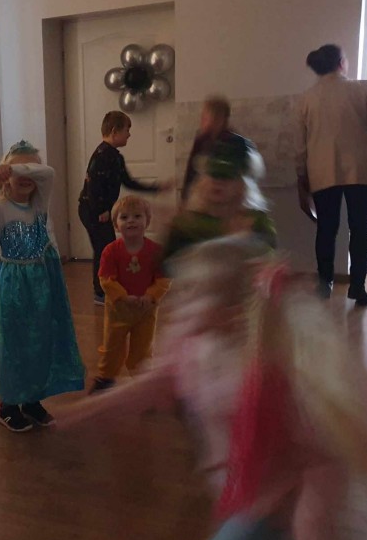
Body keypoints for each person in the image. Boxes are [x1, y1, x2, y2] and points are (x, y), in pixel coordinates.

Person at [59, 236, 367, 540]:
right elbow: (152, 385)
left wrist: (309, 533)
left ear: (232, 311)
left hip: (270, 506)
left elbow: (317, 457)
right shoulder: (193, 347)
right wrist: (89, 409)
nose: (178, 303)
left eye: (194, 294)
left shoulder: (269, 369)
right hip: (235, 498)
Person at [0, 140, 85, 432]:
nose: (26, 175)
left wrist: (16, 169)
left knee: (39, 342)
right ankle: (8, 405)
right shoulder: (0, 209)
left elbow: (49, 173)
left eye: (31, 168)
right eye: (17, 170)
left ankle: (32, 399)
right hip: (12, 286)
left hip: (41, 284)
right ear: (5, 176)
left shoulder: (39, 202)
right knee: (14, 345)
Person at [297, 43, 367, 305]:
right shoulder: (362, 89)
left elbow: (301, 144)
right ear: (341, 63)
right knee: (361, 228)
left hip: (322, 170)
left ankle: (324, 284)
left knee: (326, 229)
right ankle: (358, 287)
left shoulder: (307, 98)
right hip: (362, 170)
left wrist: (301, 177)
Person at [78, 111, 172, 305]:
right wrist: (100, 210)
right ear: (115, 131)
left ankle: (107, 286)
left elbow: (128, 181)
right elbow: (93, 184)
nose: (129, 134)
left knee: (105, 247)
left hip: (98, 209)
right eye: (127, 130)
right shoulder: (103, 155)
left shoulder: (115, 157)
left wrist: (155, 188)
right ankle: (101, 292)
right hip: (92, 210)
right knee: (104, 249)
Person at [91, 196, 170, 393]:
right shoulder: (110, 251)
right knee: (112, 346)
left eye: (137, 216)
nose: (131, 221)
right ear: (116, 225)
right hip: (118, 311)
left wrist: (151, 296)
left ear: (147, 221)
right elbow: (106, 279)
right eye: (124, 217)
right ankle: (106, 377)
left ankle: (142, 381)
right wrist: (123, 296)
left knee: (143, 349)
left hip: (145, 311)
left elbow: (163, 279)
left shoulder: (155, 251)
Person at [163, 135, 275, 265]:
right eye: (213, 174)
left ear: (243, 183)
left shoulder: (257, 223)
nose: (218, 182)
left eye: (227, 176)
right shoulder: (188, 225)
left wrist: (247, 244)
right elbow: (170, 268)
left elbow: (269, 266)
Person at [181, 95, 247, 201]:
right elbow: (191, 171)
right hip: (202, 196)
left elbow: (241, 173)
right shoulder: (201, 139)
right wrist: (184, 196)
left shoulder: (235, 142)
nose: (201, 120)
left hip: (227, 198)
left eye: (205, 117)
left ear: (219, 119)